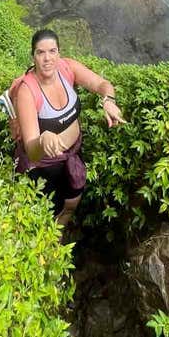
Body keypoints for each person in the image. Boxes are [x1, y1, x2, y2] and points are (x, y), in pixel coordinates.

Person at [14, 29, 126, 226]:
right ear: (33, 56)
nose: (47, 58)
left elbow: (102, 84)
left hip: (72, 153)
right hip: (45, 166)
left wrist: (108, 100)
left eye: (52, 51)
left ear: (59, 52)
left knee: (72, 203)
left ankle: (61, 235)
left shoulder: (68, 69)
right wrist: (43, 139)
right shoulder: (27, 90)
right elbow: (31, 150)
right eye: (41, 53)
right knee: (47, 213)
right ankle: (52, 249)